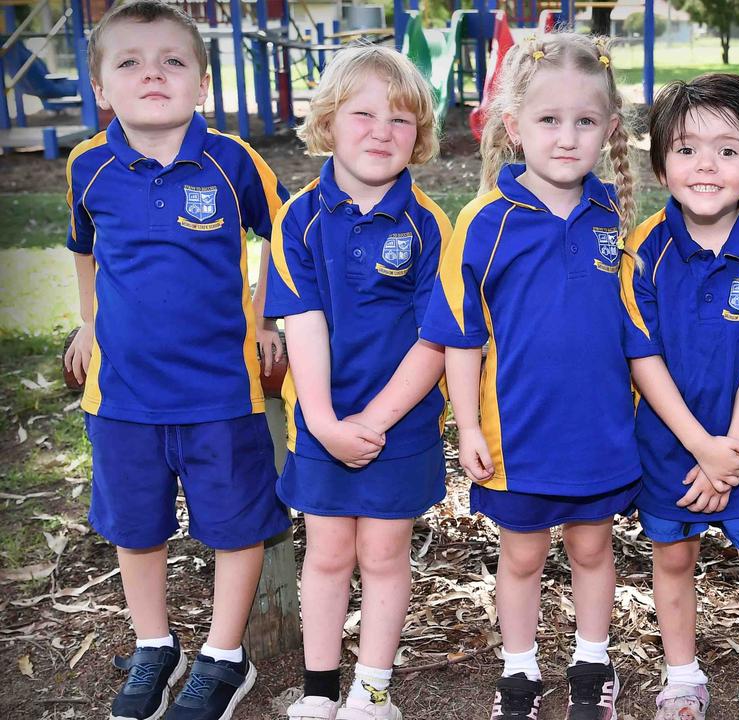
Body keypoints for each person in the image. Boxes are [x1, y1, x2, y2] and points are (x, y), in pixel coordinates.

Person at [62, 1, 289, 718]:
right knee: (136, 525)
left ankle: (225, 655)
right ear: (101, 89)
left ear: (201, 85)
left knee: (237, 523)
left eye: (172, 60)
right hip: (122, 396)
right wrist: (88, 325)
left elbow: (280, 236)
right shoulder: (89, 166)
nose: (151, 72)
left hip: (222, 389)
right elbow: (85, 250)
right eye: (128, 61)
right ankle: (154, 644)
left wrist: (266, 317)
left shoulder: (231, 161)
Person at [420, 31, 639, 720]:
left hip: (600, 431)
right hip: (518, 436)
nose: (567, 137)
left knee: (593, 548)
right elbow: (459, 335)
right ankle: (518, 675)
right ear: (514, 126)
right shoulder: (485, 221)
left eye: (585, 121)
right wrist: (468, 426)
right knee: (520, 559)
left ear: (609, 128)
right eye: (549, 120)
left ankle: (592, 664)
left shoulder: (613, 214)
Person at [263, 45, 452, 720]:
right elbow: (303, 324)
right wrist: (322, 421)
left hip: (399, 422)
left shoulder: (428, 223)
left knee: (383, 551)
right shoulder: (300, 218)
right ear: (328, 124)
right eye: (363, 114)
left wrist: (374, 422)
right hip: (322, 418)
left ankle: (372, 691)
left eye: (401, 120)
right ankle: (319, 691)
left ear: (420, 136)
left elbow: (438, 337)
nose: (381, 131)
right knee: (329, 551)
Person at [620, 72, 739, 720]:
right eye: (688, 148)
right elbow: (643, 357)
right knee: (673, 559)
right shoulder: (641, 251)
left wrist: (731, 451)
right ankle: (682, 676)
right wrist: (702, 448)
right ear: (662, 162)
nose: (706, 165)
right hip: (668, 445)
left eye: (728, 150)